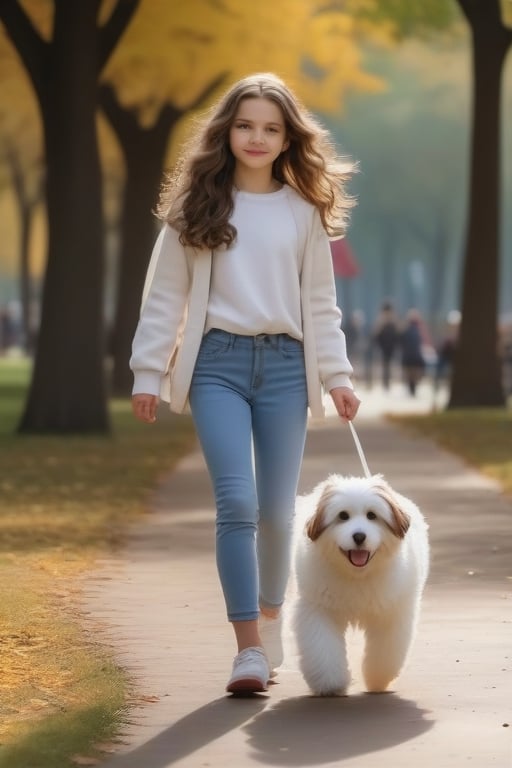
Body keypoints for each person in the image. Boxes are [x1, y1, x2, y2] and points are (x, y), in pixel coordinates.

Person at [129, 72, 361, 695]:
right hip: (216, 367)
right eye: (244, 125)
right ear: (226, 131)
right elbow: (164, 299)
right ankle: (248, 651)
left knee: (279, 515)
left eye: (270, 128)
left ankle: (271, 612)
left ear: (288, 139)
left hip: (286, 368)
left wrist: (336, 375)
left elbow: (320, 303)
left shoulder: (303, 211)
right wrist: (149, 371)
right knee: (236, 503)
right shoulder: (195, 210)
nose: (256, 137)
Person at [399, 309, 427, 396]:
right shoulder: (420, 331)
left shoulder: (405, 330)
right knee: (414, 374)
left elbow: (401, 342)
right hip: (416, 357)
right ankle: (413, 389)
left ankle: (412, 389)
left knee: (410, 375)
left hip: (408, 357)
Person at [372, 300, 399, 390]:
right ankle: (385, 384)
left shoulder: (393, 322)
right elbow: (375, 336)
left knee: (388, 366)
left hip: (390, 347)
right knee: (385, 366)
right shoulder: (381, 322)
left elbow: (398, 335)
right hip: (383, 347)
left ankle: (387, 383)